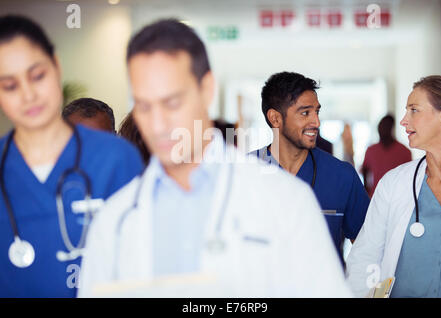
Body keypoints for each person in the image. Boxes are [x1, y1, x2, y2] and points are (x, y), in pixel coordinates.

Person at [78, 19, 352, 297]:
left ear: (207, 88)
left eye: (172, 102)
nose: (158, 124)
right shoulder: (114, 221)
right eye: (144, 106)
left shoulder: (285, 199)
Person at [0, 15, 143, 297]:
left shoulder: (117, 160)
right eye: (10, 85)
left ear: (56, 66)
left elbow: (143, 263)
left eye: (37, 75)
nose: (28, 95)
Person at [346, 75, 441, 298]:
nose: (404, 120)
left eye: (414, 110)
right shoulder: (394, 183)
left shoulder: (397, 152)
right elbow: (365, 257)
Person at [250, 72, 370, 262]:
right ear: (275, 118)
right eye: (305, 113)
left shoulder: (342, 176)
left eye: (317, 112)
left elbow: (368, 252)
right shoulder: (242, 174)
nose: (316, 122)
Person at [361, 114, 412, 197]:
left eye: (385, 127)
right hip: (375, 196)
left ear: (391, 128)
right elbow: (365, 170)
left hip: (398, 197)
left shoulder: (404, 151)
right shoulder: (371, 150)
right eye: (380, 127)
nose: (381, 130)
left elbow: (409, 177)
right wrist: (366, 190)